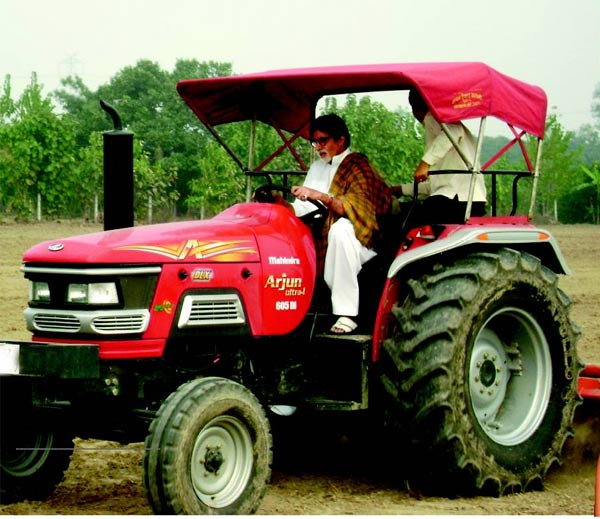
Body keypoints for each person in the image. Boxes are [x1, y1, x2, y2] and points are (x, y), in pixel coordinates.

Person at [290, 114, 392, 334]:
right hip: (322, 233)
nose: (318, 147)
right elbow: (304, 207)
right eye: (315, 142)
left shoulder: (358, 166)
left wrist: (321, 196)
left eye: (323, 140)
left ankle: (347, 314)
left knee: (341, 229)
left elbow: (359, 208)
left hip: (364, 237)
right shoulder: (316, 168)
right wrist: (283, 206)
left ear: (341, 140)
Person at [394, 89, 486, 223]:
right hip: (473, 200)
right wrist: (401, 189)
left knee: (399, 217)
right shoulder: (449, 140)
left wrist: (425, 163)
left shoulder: (432, 117)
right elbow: (436, 187)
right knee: (414, 210)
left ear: (415, 110)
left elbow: (454, 131)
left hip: (455, 201)